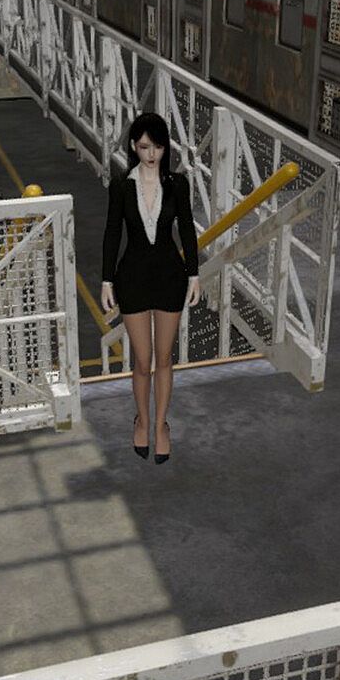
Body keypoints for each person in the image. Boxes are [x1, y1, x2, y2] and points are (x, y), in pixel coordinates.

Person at [100, 111, 201, 464]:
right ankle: (142, 420)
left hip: (171, 277)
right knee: (142, 361)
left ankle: (161, 426)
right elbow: (113, 233)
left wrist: (194, 275)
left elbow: (186, 229)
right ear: (133, 146)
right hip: (133, 279)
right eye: (144, 147)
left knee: (165, 358)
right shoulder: (121, 185)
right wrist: (106, 279)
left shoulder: (178, 184)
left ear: (165, 148)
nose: (152, 154)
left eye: (157, 147)